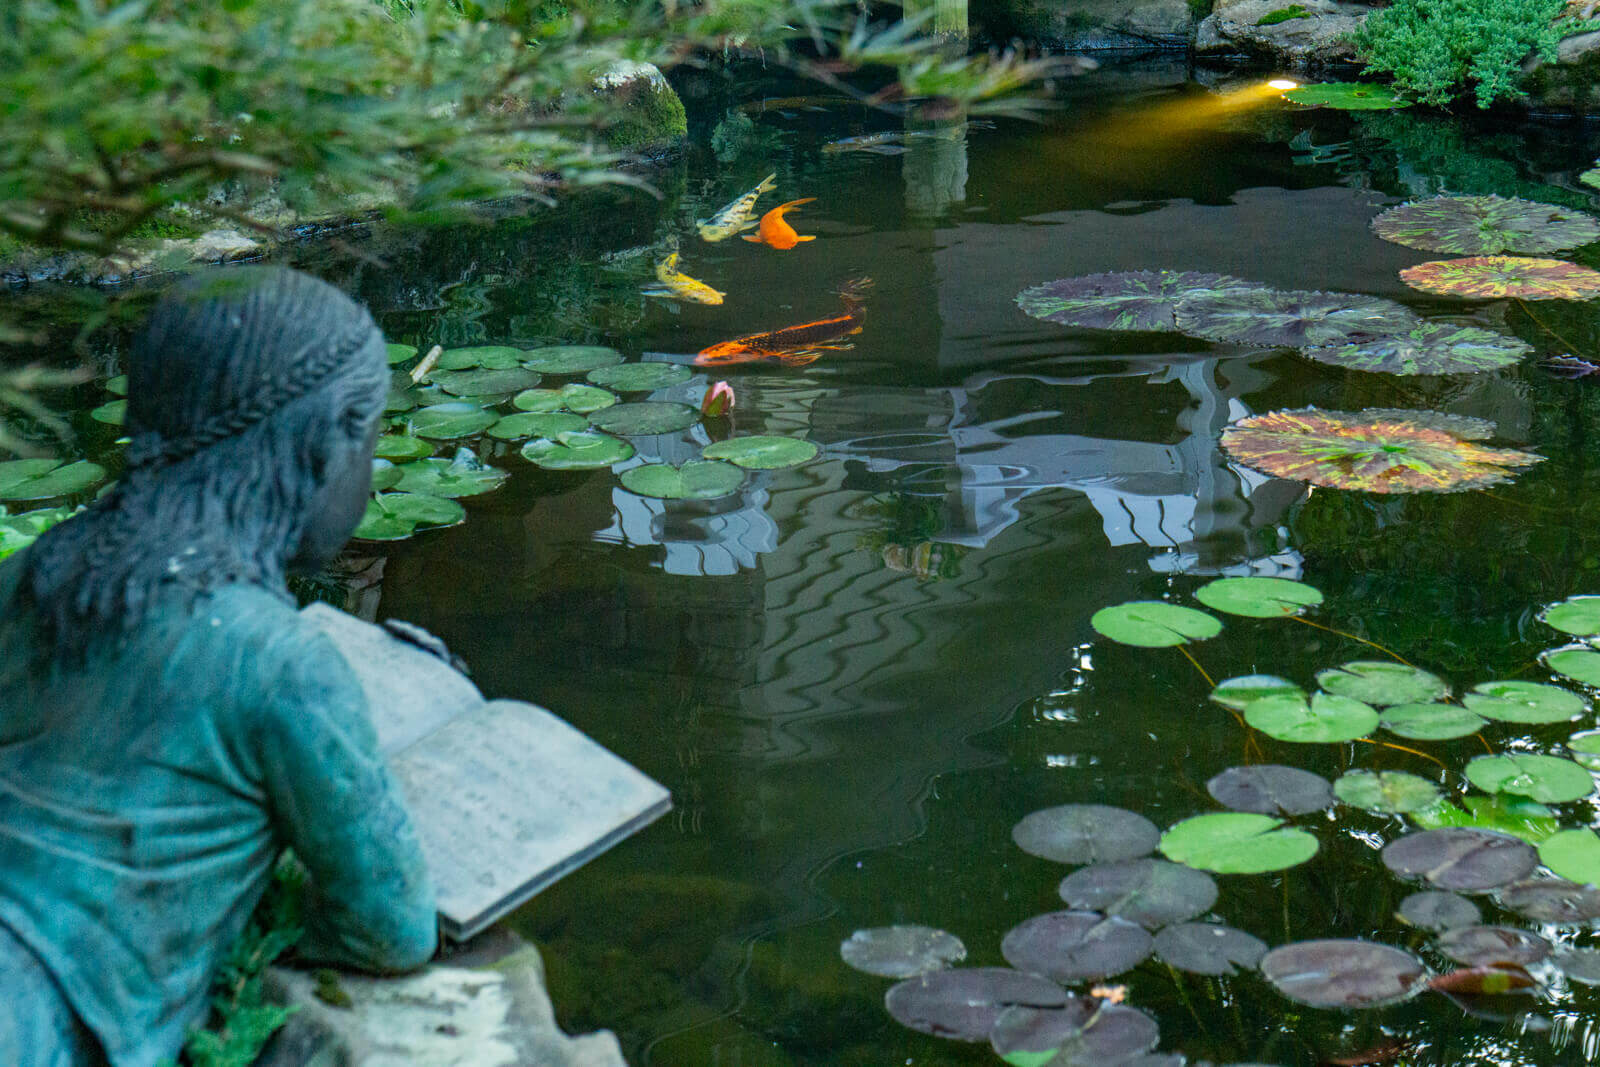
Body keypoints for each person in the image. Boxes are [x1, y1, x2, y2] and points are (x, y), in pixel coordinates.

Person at [0, 267, 438, 1066]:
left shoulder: (27, 574)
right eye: (370, 439)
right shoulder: (284, 665)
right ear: (324, 445)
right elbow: (393, 928)